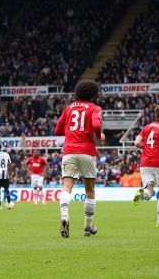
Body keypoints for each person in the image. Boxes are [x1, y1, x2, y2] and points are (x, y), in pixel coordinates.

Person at [55, 79, 104, 238]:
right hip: (87, 151)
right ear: (94, 94)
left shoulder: (69, 108)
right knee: (90, 190)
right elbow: (96, 126)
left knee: (67, 185)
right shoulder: (95, 108)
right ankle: (88, 226)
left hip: (69, 150)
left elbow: (57, 129)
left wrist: (70, 134)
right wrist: (99, 135)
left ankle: (64, 215)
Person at [0, 143, 13, 210]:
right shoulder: (6, 154)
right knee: (7, 190)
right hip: (5, 175)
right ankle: (9, 204)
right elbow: (9, 164)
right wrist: (10, 174)